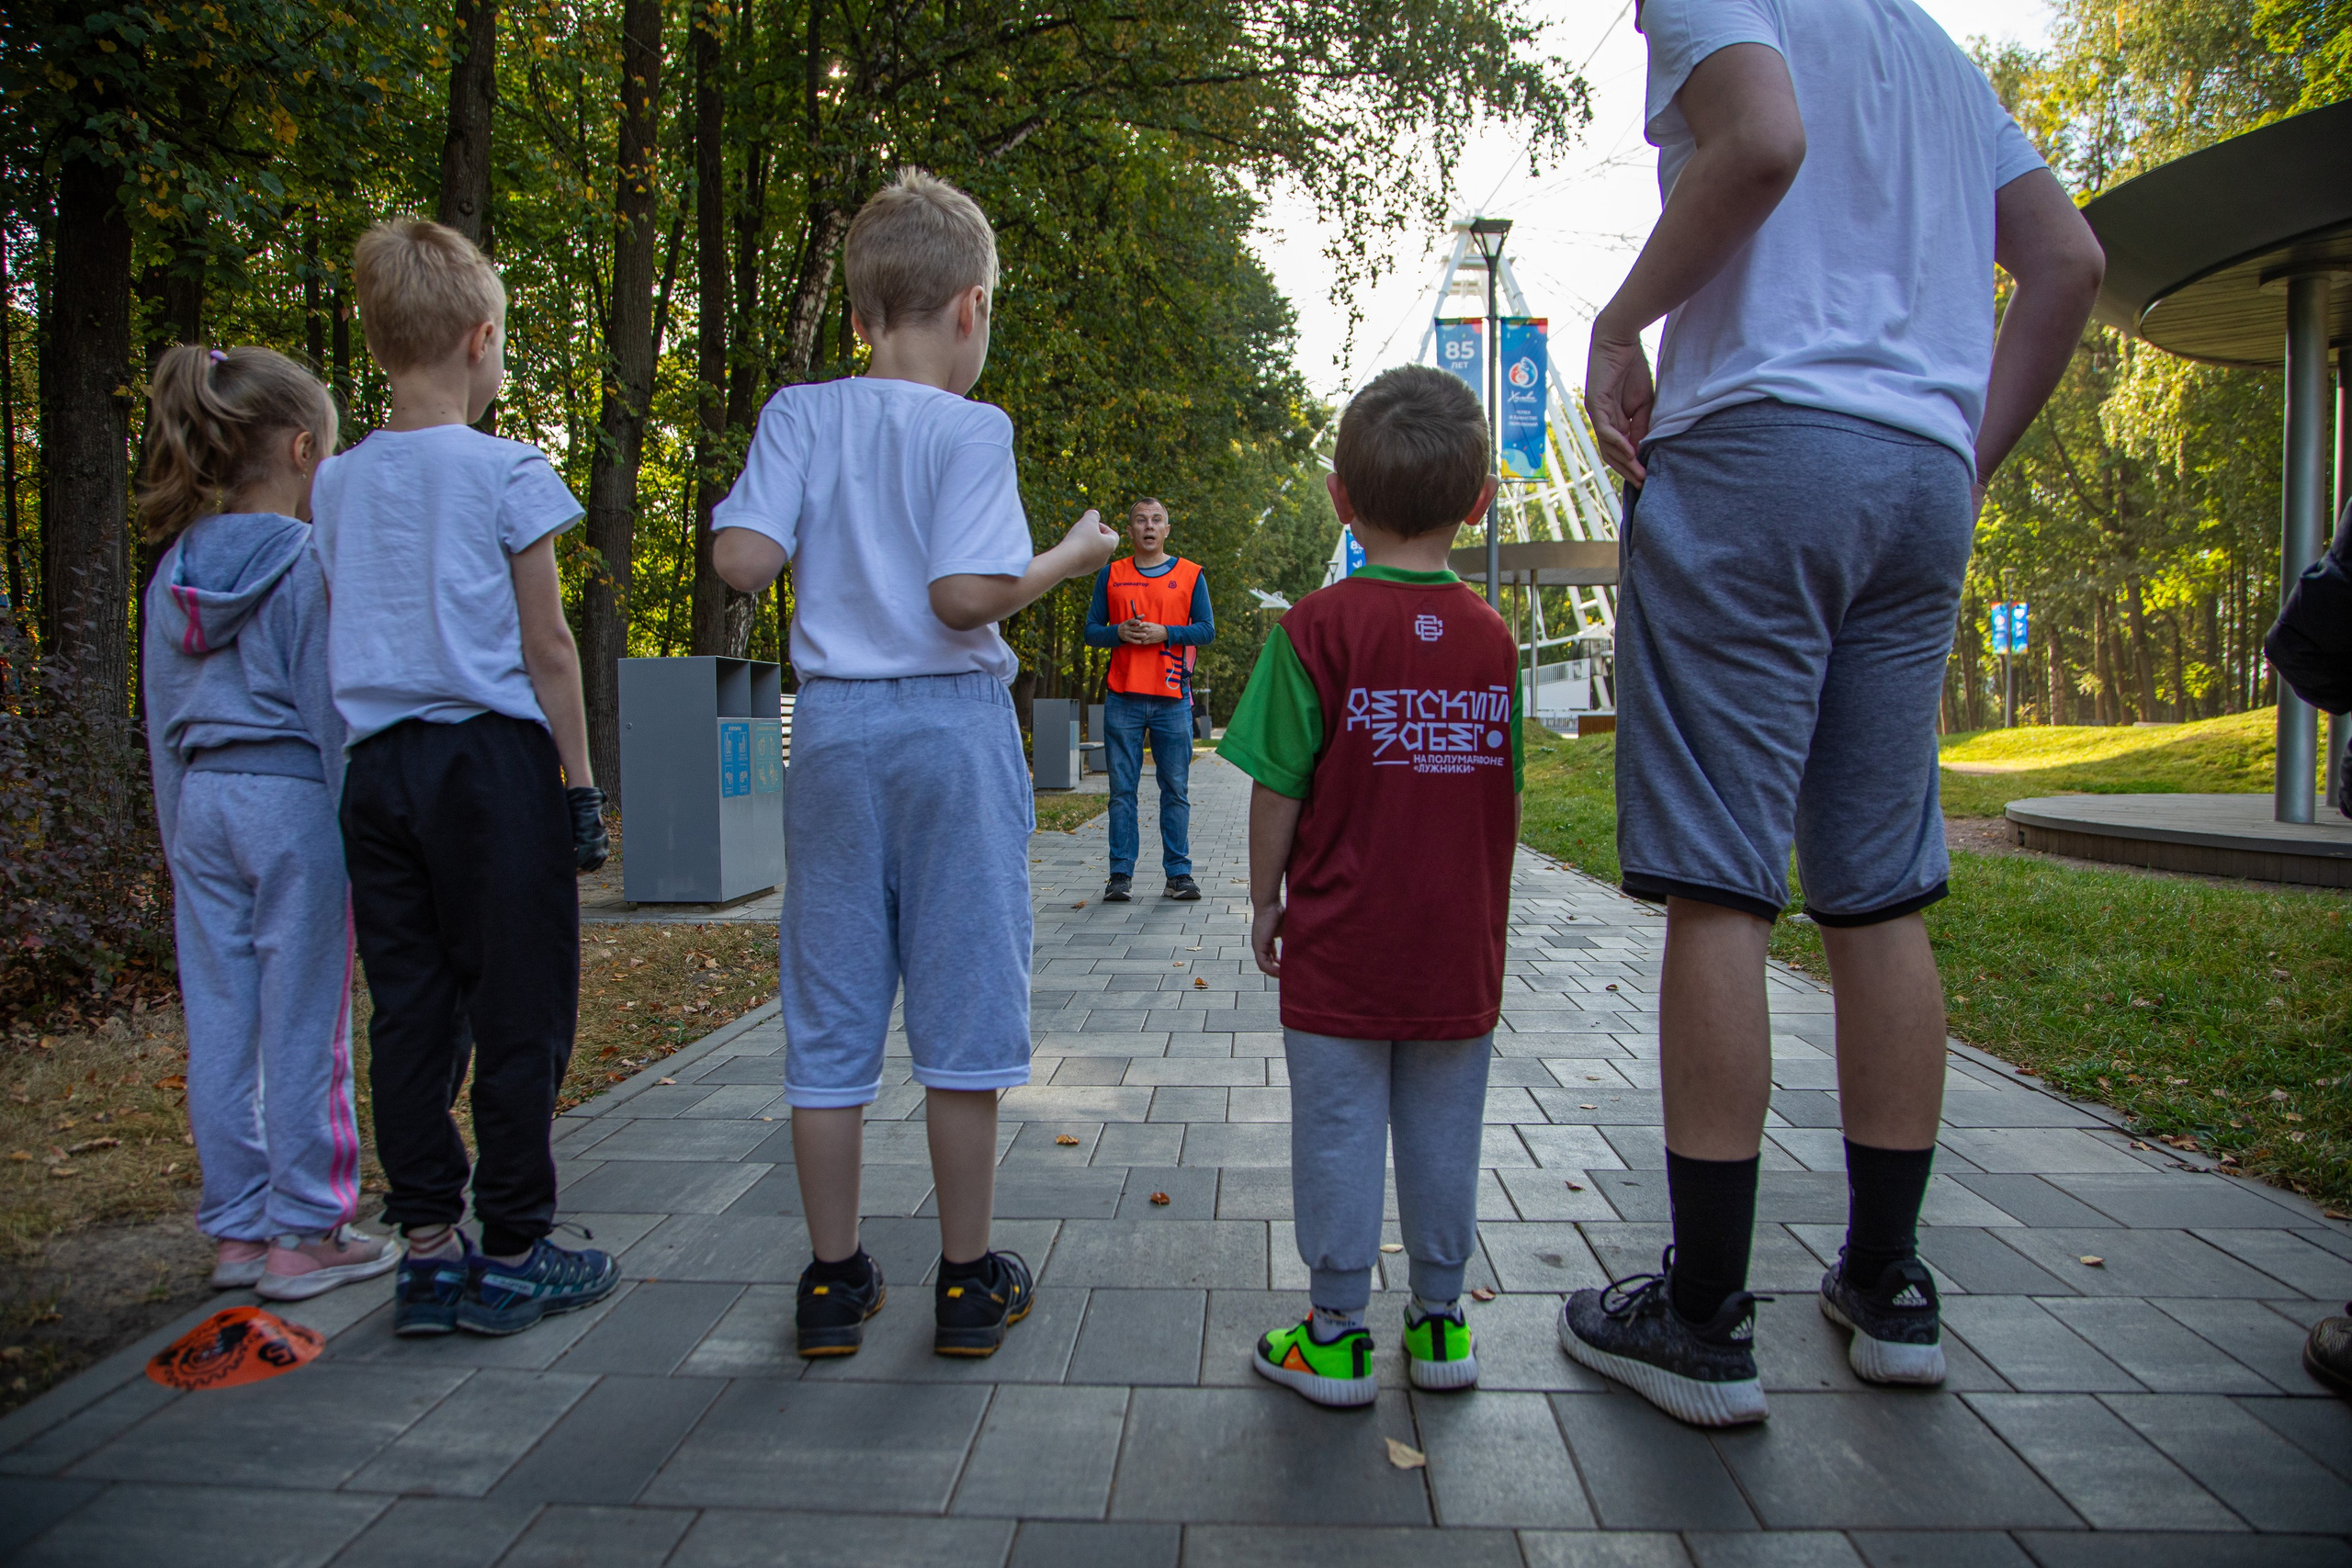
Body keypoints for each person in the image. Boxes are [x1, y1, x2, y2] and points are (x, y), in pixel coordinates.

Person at [1562, 0, 2105, 1426]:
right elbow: (2066, 260)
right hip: (1920, 476)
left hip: (1754, 448)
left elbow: (1763, 140)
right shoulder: (1933, 48)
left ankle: (1702, 1313)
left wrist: (1622, 322)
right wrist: (1961, 453)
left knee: (1719, 877)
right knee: (1878, 885)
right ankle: (1888, 1282)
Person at [712, 170, 1120, 1359]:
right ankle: (965, 1279)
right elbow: (961, 597)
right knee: (963, 999)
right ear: (971, 309)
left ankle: (833, 1281)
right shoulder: (972, 427)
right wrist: (1071, 554)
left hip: (833, 729)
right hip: (948, 731)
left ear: (859, 313)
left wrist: (779, 526)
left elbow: (742, 558)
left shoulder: (800, 412)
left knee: (832, 1005)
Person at [312, 219, 618, 1337]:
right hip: (490, 767)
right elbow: (546, 649)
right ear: (482, 339)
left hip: (378, 771)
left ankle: (428, 1250)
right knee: (520, 1003)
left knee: (410, 1009)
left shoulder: (335, 485)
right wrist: (577, 784)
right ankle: (518, 1246)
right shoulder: (506, 469)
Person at [1218, 365, 1520, 1406]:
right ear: (1476, 503)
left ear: (1341, 499)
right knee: (1446, 1130)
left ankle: (1336, 1334)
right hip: (1458, 943)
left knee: (1339, 1129)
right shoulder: (1492, 640)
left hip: (1344, 941)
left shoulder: (1315, 630)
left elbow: (1276, 789)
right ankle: (1441, 1326)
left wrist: (1267, 900)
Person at [139, 344, 396, 1303]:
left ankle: (237, 1232)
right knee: (306, 1020)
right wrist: (356, 839)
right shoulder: (302, 562)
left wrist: (178, 843)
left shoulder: (172, 574)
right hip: (290, 801)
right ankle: (308, 1228)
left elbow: (161, 722)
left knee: (220, 1021)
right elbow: (329, 716)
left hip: (202, 804)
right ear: (299, 449)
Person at [1084, 498, 1215, 902]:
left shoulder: (1191, 575)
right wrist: (1118, 632)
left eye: (1157, 519)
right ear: (1130, 530)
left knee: (1174, 789)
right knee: (1122, 791)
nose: (1149, 526)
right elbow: (1092, 631)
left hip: (1172, 699)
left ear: (1167, 529)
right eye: (1141, 520)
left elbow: (1207, 630)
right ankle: (1119, 875)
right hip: (1122, 696)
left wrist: (1167, 633)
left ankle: (1179, 874)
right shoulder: (1112, 574)